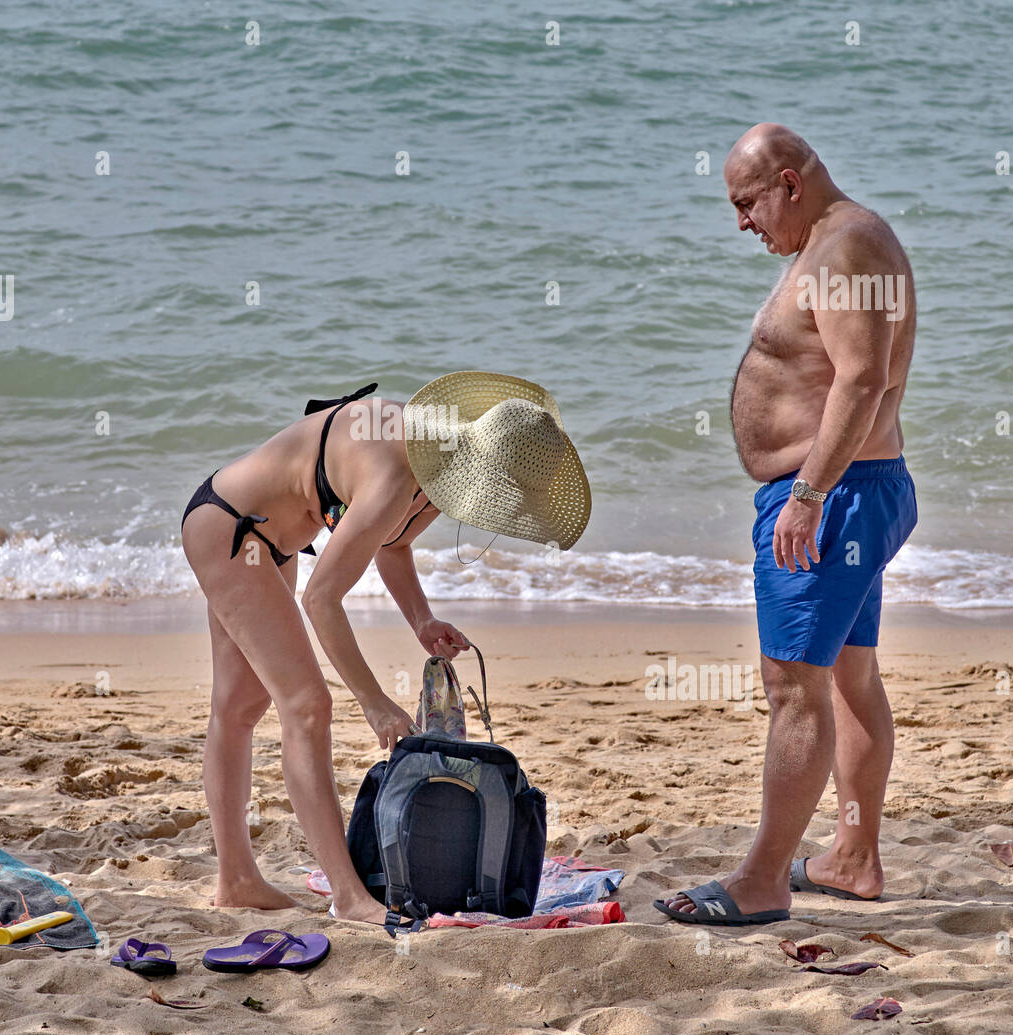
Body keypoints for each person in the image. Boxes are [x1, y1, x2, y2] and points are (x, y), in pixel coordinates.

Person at [181, 371, 590, 924]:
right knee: (306, 706)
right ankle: (348, 898)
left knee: (238, 707)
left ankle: (236, 881)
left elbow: (390, 546)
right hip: (229, 528)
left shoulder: (440, 463)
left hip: (267, 540)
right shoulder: (399, 470)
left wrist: (421, 619)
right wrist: (374, 701)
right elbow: (322, 598)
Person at [657, 123, 918, 926]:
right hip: (855, 492)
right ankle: (852, 858)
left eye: (747, 203)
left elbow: (862, 380)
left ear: (790, 183)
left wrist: (806, 494)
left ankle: (764, 879)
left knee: (791, 689)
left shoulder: (846, 250)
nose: (742, 222)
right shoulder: (846, 240)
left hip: (833, 499)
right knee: (849, 675)